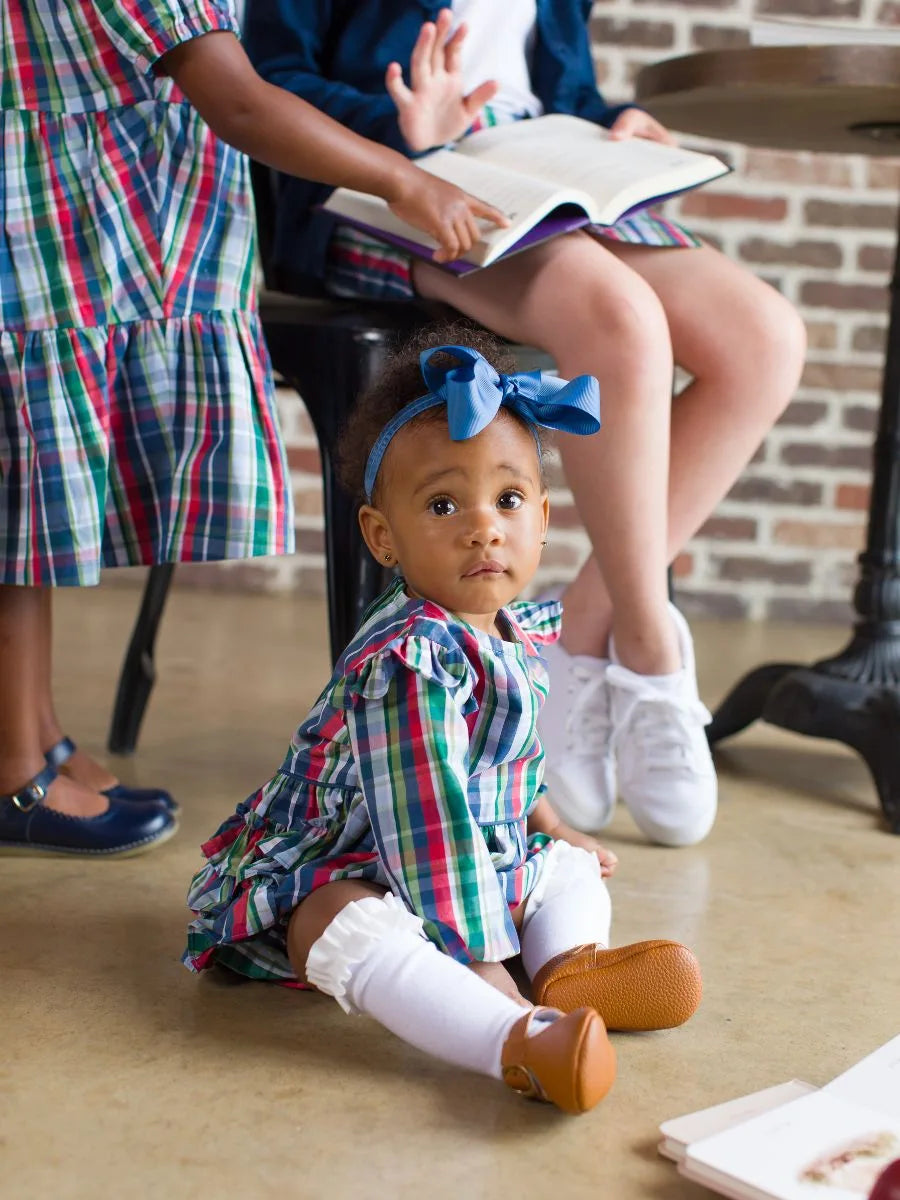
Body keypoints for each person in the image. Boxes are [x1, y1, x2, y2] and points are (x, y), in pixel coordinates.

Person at [245, 0, 809, 847]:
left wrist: (611, 120)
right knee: (619, 317)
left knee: (765, 338)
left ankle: (580, 640)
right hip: (391, 189)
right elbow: (266, 82)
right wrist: (399, 130)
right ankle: (650, 648)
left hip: (540, 185)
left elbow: (556, 86)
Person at [0, 0, 508, 857]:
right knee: (18, 523)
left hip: (95, 245)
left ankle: (34, 731)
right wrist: (402, 177)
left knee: (32, 521)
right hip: (51, 245)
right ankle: (15, 771)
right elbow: (231, 97)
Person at [183, 328, 703, 1115]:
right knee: (340, 924)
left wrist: (557, 830)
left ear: (542, 518)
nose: (483, 527)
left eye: (508, 500)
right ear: (382, 536)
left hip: (465, 855)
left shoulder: (510, 630)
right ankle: (514, 1039)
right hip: (354, 864)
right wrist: (487, 968)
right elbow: (427, 831)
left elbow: (513, 762)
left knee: (565, 868)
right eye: (442, 504)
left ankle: (570, 968)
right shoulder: (408, 663)